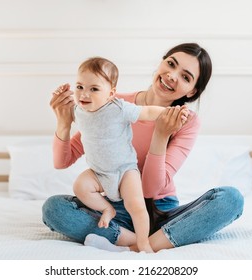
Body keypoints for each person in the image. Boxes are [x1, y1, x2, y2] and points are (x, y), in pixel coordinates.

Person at [43, 43, 244, 253]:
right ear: (161, 63)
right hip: (116, 208)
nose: (172, 75)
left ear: (192, 90)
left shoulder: (187, 121)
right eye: (171, 64)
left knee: (230, 199)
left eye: (185, 77)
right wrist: (63, 123)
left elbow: (149, 189)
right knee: (54, 209)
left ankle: (135, 246)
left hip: (161, 210)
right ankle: (148, 239)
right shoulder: (112, 102)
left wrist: (161, 134)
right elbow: (62, 161)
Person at [53, 57, 182, 253]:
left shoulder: (118, 108)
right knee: (80, 186)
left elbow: (146, 112)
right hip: (99, 173)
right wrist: (60, 101)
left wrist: (168, 112)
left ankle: (143, 243)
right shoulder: (78, 111)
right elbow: (62, 157)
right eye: (79, 86)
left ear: (111, 93)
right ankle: (107, 209)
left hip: (125, 171)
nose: (84, 94)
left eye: (94, 89)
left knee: (136, 205)